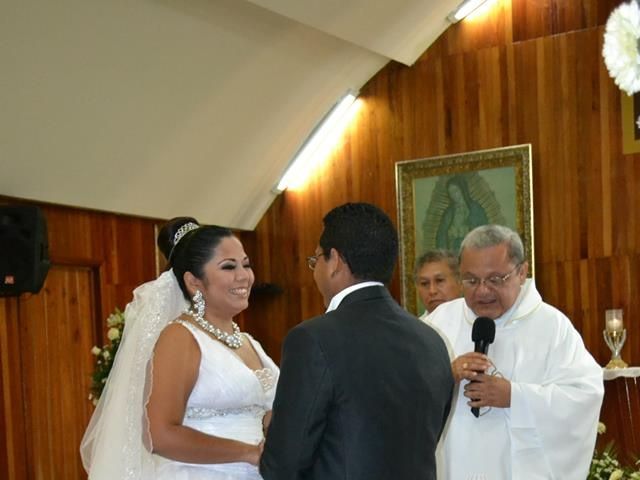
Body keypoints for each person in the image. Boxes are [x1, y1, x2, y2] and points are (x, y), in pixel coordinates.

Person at [260, 202, 454, 480]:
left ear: (335, 261)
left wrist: (272, 428)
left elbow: (284, 466)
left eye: (316, 260)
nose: (314, 271)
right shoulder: (431, 341)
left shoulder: (312, 339)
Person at [80, 217, 278, 479]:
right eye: (229, 267)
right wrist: (247, 453)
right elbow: (158, 434)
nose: (244, 276)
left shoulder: (250, 342)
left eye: (246, 264)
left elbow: (264, 413)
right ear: (194, 282)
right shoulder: (180, 337)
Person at [426, 224, 603, 479]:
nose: (482, 290)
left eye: (495, 279)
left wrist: (514, 396)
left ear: (522, 272)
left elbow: (584, 395)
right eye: (471, 280)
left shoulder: (552, 327)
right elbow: (400, 390)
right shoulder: (439, 323)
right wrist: (446, 375)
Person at [435, 176, 488, 252]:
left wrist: (467, 231)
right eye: (451, 193)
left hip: (473, 252)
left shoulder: (476, 209)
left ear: (462, 190)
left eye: (456, 191)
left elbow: (484, 232)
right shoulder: (449, 213)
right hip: (454, 253)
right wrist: (450, 235)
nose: (453, 195)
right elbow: (441, 235)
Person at [414, 249, 461, 318]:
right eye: (424, 283)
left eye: (439, 280)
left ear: (460, 283)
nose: (432, 291)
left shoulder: (477, 323)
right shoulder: (414, 328)